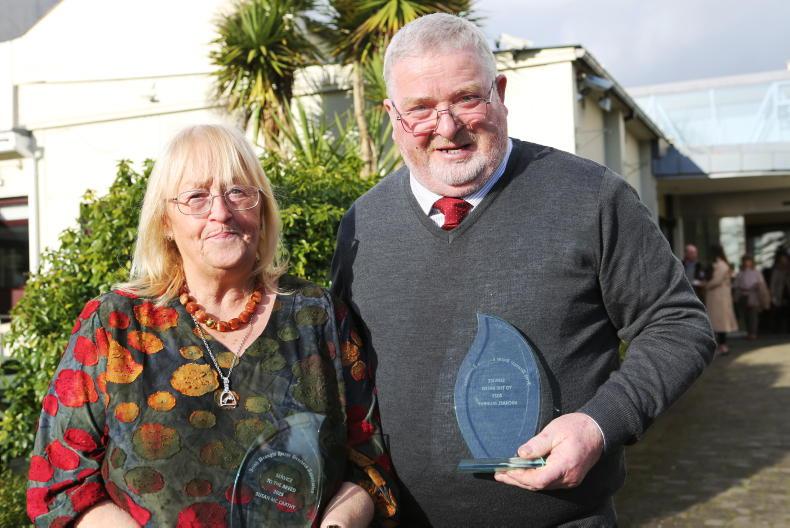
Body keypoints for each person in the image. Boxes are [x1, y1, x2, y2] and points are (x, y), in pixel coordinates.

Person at [330, 13, 715, 527]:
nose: (447, 127)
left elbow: (679, 325)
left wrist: (600, 424)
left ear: (501, 92)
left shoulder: (591, 198)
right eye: (420, 108)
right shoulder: (362, 224)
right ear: (391, 115)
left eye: (467, 98)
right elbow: (344, 373)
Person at [27, 124, 396, 527]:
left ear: (261, 209)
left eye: (238, 192)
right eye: (196, 197)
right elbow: (61, 485)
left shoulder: (317, 316)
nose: (221, 212)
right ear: (166, 222)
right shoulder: (114, 326)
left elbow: (368, 464)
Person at [704, 244, 738, 355]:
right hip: (718, 297)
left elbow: (716, 280)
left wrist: (705, 285)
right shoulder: (721, 264)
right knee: (718, 323)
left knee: (720, 323)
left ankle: (723, 346)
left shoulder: (721, 265)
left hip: (719, 297)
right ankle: (722, 346)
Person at [733, 254, 769, 340]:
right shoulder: (740, 273)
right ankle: (749, 332)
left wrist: (757, 287)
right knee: (746, 315)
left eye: (748, 261)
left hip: (754, 295)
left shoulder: (756, 272)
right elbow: (736, 285)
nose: (747, 263)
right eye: (745, 261)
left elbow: (761, 284)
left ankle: (753, 333)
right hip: (743, 295)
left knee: (753, 315)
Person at [769, 252, 790, 333]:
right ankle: (778, 328)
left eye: (785, 259)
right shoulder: (777, 270)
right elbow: (773, 283)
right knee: (779, 310)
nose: (784, 261)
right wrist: (772, 294)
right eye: (782, 259)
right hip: (779, 293)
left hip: (787, 292)